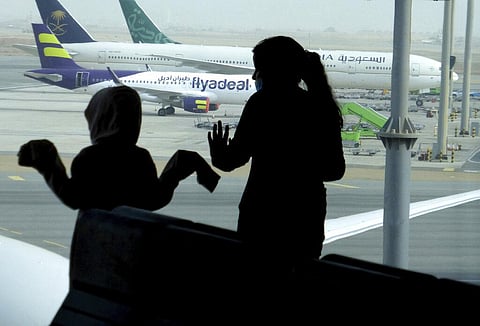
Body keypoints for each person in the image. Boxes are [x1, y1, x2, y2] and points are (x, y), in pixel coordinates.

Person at [208, 36, 345, 271]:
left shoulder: (261, 104)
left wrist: (219, 155)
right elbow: (335, 170)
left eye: (258, 68)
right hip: (305, 216)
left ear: (272, 71)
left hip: (261, 212)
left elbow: (232, 161)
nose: (254, 76)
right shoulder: (320, 107)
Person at [18, 85, 219, 212]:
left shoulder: (90, 157)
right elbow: (153, 200)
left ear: (98, 119)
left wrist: (48, 160)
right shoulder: (140, 157)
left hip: (94, 244)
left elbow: (74, 197)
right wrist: (177, 170)